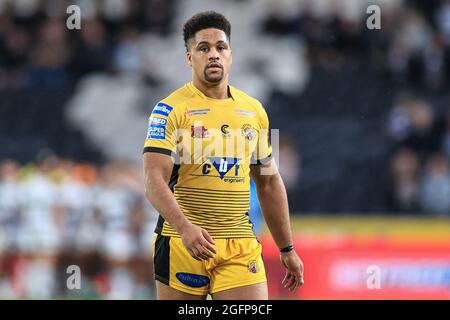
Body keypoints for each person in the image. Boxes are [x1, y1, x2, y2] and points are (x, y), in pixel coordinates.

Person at [143, 11, 304, 300]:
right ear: (189, 57)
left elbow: (268, 182)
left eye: (221, 47)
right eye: (203, 48)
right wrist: (184, 227)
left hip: (239, 243)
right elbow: (153, 179)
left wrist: (286, 247)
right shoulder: (168, 110)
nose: (213, 54)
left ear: (231, 55)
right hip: (182, 240)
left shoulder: (254, 110)